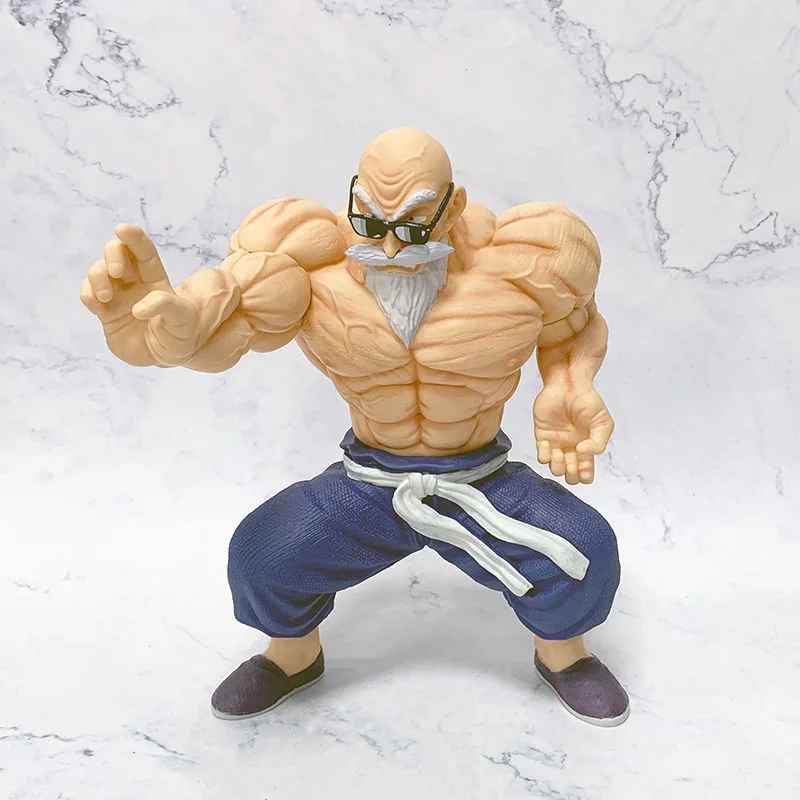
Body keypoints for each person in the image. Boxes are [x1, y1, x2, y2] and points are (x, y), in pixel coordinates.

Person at [80, 127, 629, 726]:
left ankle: (563, 655)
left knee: (586, 548)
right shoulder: (306, 268)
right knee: (262, 553)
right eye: (370, 224)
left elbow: (574, 329)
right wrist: (167, 330)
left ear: (454, 208)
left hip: (480, 478)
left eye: (413, 229)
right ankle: (292, 657)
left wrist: (571, 385)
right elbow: (223, 323)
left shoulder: (521, 265)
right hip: (369, 480)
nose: (389, 248)